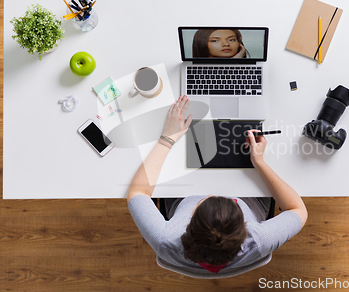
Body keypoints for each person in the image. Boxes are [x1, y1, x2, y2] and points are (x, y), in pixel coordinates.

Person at [127, 95, 307, 278]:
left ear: (188, 224)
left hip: (181, 198)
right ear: (245, 229)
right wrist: (259, 162)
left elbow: (137, 191)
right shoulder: (259, 240)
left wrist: (168, 138)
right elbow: (298, 209)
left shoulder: (165, 240)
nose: (214, 193)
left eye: (206, 201)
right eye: (230, 202)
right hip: (251, 200)